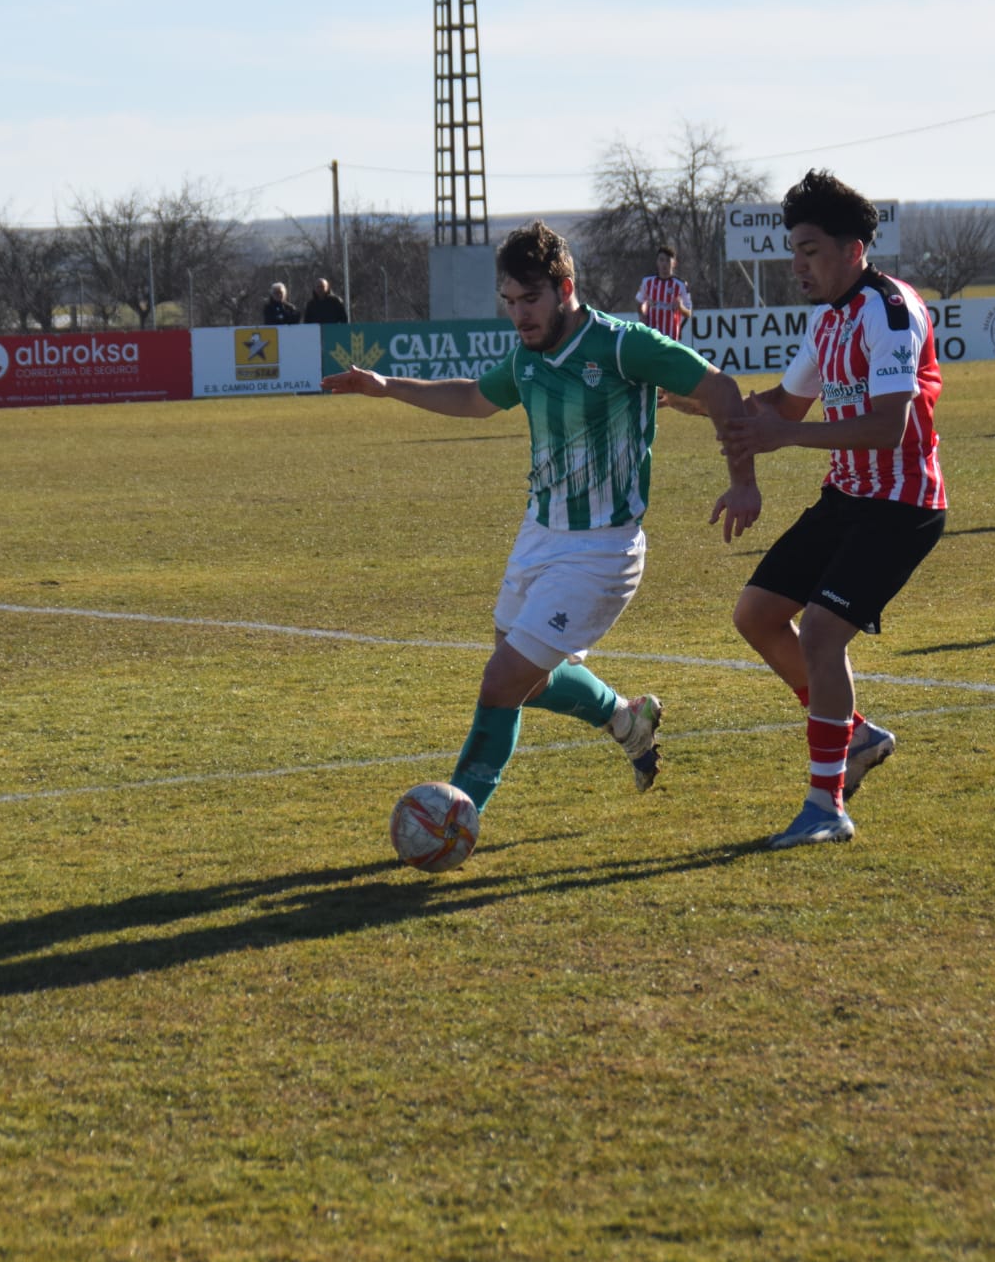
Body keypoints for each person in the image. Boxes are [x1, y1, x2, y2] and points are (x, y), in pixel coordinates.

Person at [321, 220, 759, 827]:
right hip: (540, 534)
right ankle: (625, 720)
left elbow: (720, 388)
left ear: (565, 288)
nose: (519, 315)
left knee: (501, 680)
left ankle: (453, 820)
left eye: (531, 300)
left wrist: (743, 481)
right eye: (510, 302)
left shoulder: (622, 345)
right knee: (522, 681)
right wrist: (387, 386)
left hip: (601, 551)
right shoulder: (528, 359)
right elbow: (475, 396)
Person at [703, 169, 947, 851]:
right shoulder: (831, 319)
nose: (797, 264)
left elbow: (888, 426)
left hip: (901, 506)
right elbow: (780, 406)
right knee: (755, 614)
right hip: (847, 498)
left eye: (809, 250)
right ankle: (858, 735)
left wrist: (786, 435)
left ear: (853, 249)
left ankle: (825, 804)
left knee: (820, 630)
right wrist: (704, 400)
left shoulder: (889, 311)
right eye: (794, 250)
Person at [635, 245, 693, 341]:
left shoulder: (681, 285)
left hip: (671, 338)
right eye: (661, 260)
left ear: (674, 263)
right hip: (652, 337)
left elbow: (689, 313)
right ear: (657, 262)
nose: (664, 264)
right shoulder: (648, 282)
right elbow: (638, 301)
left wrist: (680, 307)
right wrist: (642, 315)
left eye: (667, 260)